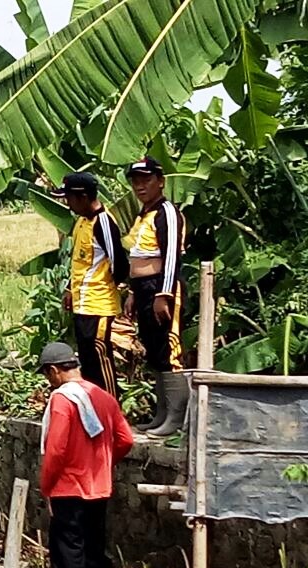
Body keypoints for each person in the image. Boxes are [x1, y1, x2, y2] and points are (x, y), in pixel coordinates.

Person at [37, 342, 134, 568]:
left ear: (54, 371)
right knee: (96, 551)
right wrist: (103, 461)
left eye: (47, 376)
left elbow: (56, 449)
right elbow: (125, 439)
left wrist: (46, 487)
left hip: (68, 488)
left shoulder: (62, 400)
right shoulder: (103, 397)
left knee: (69, 556)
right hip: (98, 486)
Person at [122, 156, 188, 437]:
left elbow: (171, 254)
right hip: (143, 287)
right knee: (154, 350)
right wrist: (133, 292)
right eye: (136, 181)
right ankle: (161, 414)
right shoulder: (143, 215)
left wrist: (164, 292)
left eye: (146, 180)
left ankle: (176, 417)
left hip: (162, 285)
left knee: (168, 351)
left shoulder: (167, 213)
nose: (140, 186)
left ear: (160, 182)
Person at [51, 171, 127, 397]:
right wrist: (69, 289)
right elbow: (80, 262)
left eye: (70, 199)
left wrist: (115, 288)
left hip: (99, 305)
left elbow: (119, 264)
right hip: (82, 304)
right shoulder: (82, 222)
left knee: (100, 358)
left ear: (83, 197)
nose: (68, 204)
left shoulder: (103, 223)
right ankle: (94, 406)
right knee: (87, 360)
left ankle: (112, 408)